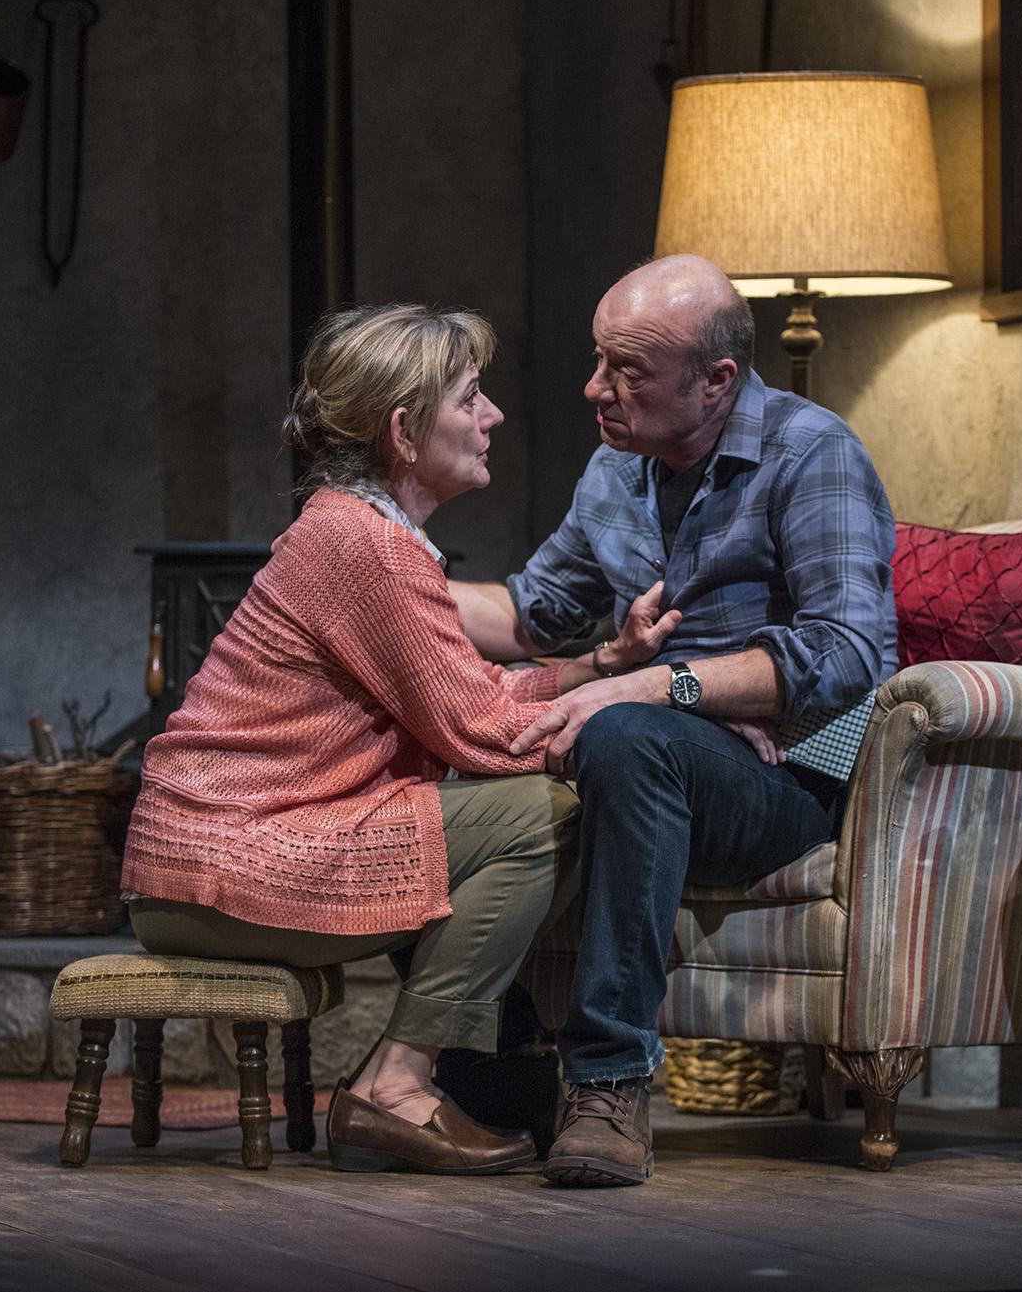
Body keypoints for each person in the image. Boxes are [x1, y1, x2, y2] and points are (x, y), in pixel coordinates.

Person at [119, 303, 679, 1176]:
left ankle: (452, 1069)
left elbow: (467, 691)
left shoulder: (362, 530)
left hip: (208, 856)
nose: (492, 416)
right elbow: (483, 730)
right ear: (404, 432)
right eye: (470, 398)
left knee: (524, 807)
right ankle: (400, 1080)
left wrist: (598, 663)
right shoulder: (366, 545)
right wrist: (632, 704)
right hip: (233, 860)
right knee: (546, 814)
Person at [449, 254, 897, 1186]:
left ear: (716, 380)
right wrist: (374, 574)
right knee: (482, 732)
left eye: (626, 370)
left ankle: (609, 1080)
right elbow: (538, 614)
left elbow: (850, 652)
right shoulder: (618, 466)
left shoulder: (812, 451)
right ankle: (488, 1063)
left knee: (620, 731)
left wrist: (668, 687)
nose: (594, 389)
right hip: (653, 756)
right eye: (597, 360)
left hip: (782, 780)